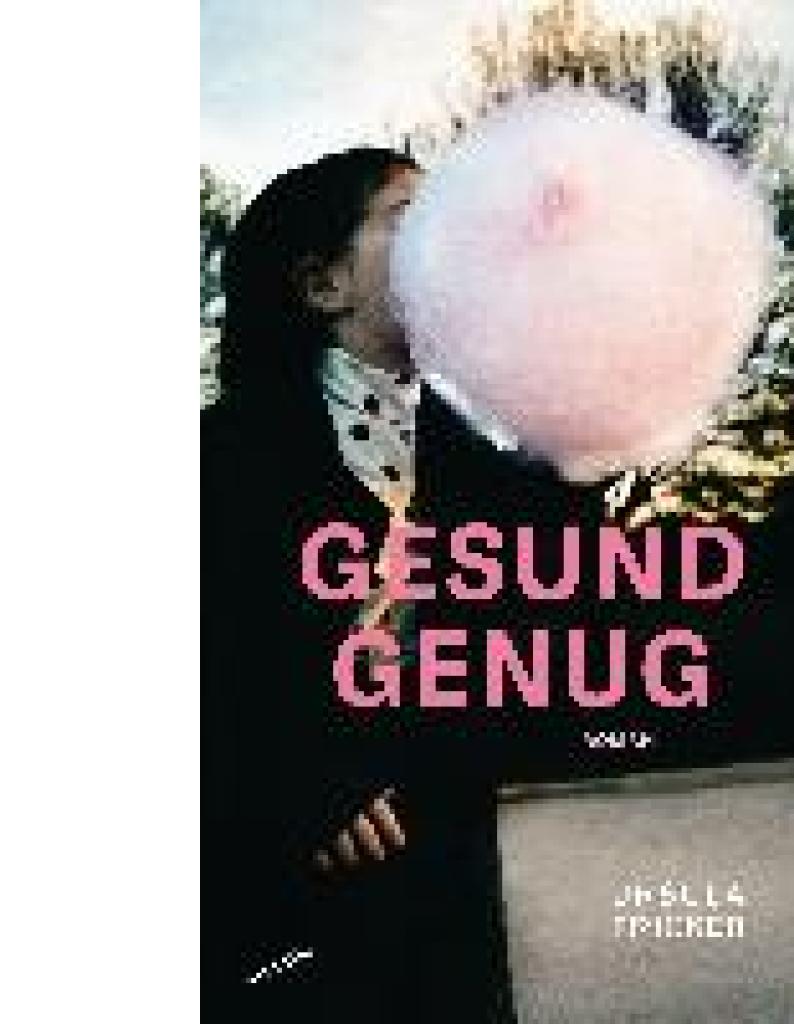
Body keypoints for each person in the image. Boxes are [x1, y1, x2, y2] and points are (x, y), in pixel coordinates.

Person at [202, 148, 517, 1023]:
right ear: (324, 284)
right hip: (276, 902)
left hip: (448, 897)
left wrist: (585, 439)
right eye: (410, 216)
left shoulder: (486, 468)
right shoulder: (215, 464)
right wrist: (299, 784)